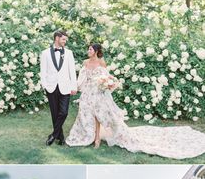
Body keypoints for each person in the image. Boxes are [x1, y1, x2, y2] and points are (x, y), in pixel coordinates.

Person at [66, 43, 205, 159]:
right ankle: (88, 134)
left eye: (90, 49)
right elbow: (82, 78)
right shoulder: (85, 62)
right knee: (85, 114)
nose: (88, 51)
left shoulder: (101, 62)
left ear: (96, 51)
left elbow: (107, 76)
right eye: (88, 49)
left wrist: (109, 83)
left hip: (98, 92)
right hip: (88, 92)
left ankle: (96, 138)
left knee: (98, 114)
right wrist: (76, 88)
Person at [40, 30, 77, 146]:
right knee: (55, 113)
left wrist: (73, 86)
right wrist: (45, 85)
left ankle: (53, 135)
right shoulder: (45, 53)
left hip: (65, 87)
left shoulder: (69, 53)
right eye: (63, 39)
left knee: (64, 112)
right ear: (57, 38)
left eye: (65, 40)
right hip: (51, 87)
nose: (65, 42)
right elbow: (43, 71)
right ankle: (60, 137)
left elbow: (72, 70)